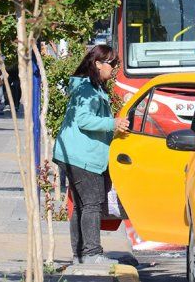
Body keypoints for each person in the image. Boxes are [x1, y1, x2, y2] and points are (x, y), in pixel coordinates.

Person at [52, 45, 129, 265]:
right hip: (82, 156)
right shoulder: (87, 89)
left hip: (74, 154)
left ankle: (80, 255)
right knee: (92, 204)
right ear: (97, 64)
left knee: (81, 205)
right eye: (112, 64)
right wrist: (112, 123)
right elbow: (84, 120)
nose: (114, 69)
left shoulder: (91, 87)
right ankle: (92, 253)